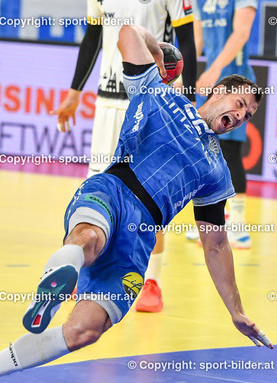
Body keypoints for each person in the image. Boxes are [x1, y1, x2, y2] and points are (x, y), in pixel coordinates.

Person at [0, 24, 271, 383]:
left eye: (249, 114)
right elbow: (127, 33)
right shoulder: (160, 93)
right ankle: (53, 288)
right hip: (113, 191)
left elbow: (217, 245)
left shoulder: (217, 170)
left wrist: (236, 311)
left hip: (140, 239)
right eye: (240, 103)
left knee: (86, 329)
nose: (242, 115)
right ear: (218, 92)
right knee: (90, 240)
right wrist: (157, 51)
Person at [51, 0, 198, 313]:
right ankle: (83, 270)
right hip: (107, 104)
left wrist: (190, 103)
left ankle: (152, 282)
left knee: (150, 196)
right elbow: (93, 37)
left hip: (149, 103)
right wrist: (74, 92)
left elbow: (186, 41)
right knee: (94, 194)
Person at [186, 0, 258, 249]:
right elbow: (196, 40)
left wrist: (215, 69)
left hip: (237, 83)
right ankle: (214, 219)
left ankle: (238, 225)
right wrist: (182, 74)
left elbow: (242, 33)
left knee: (230, 151)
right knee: (209, 150)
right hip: (214, 83)